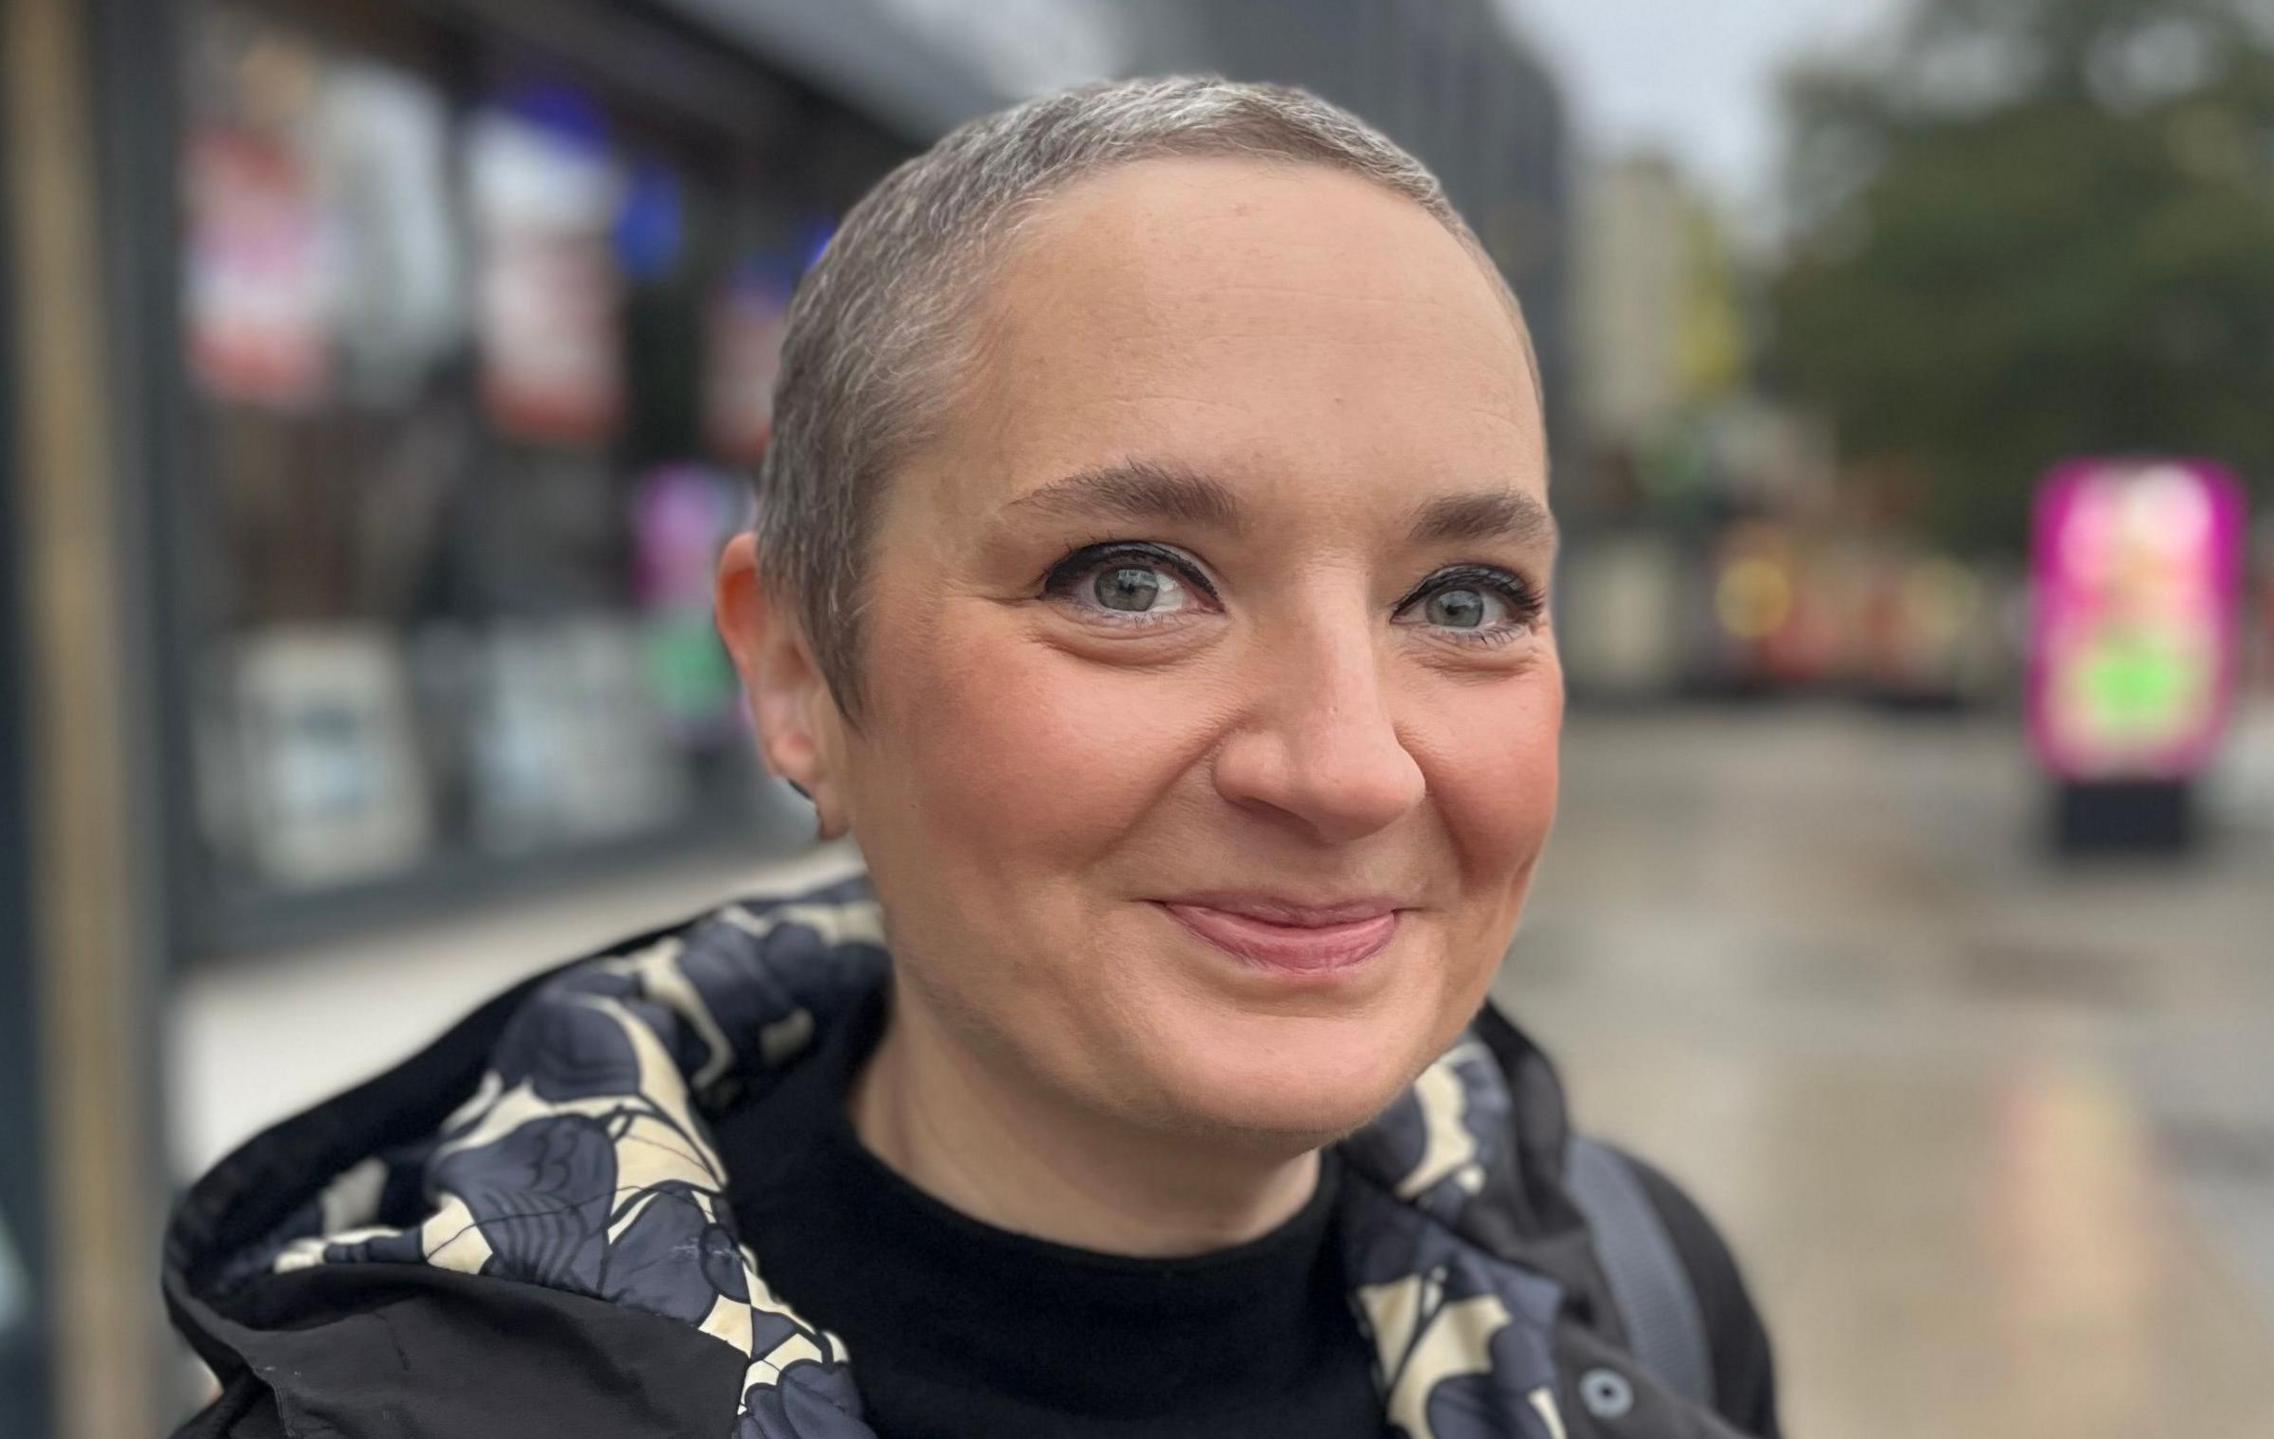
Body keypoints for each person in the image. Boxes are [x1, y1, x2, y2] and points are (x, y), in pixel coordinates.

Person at [162, 77, 1781, 1439]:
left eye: (1463, 598)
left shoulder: (1638, 1315)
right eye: (1131, 580)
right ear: (798, 670)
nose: (1349, 769)